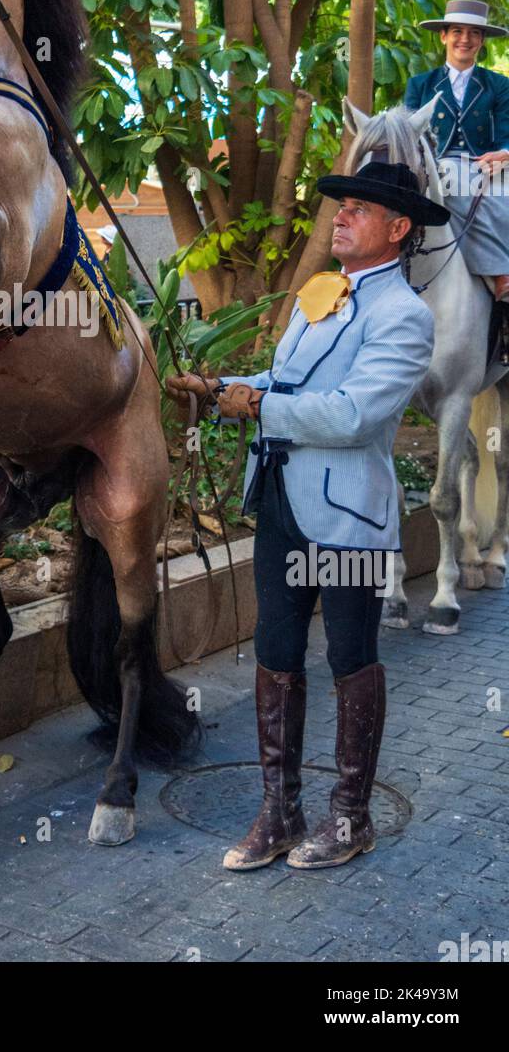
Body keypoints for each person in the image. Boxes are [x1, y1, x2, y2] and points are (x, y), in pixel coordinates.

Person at [167, 162, 447, 870]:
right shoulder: (322, 293)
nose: (341, 217)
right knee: (276, 653)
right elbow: (285, 381)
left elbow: (354, 415)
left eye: (357, 209)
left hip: (349, 514)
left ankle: (350, 819)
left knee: (351, 658)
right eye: (342, 207)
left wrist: (257, 407)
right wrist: (221, 385)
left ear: (398, 227)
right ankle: (280, 813)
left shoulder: (405, 317)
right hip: (283, 500)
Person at [405, 0, 509, 301]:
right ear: (444, 35)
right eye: (458, 31)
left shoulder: (499, 85)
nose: (465, 39)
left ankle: (500, 271)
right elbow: (409, 136)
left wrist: (505, 154)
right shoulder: (420, 84)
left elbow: (506, 134)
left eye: (474, 33)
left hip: (485, 166)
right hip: (433, 167)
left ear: (481, 40)